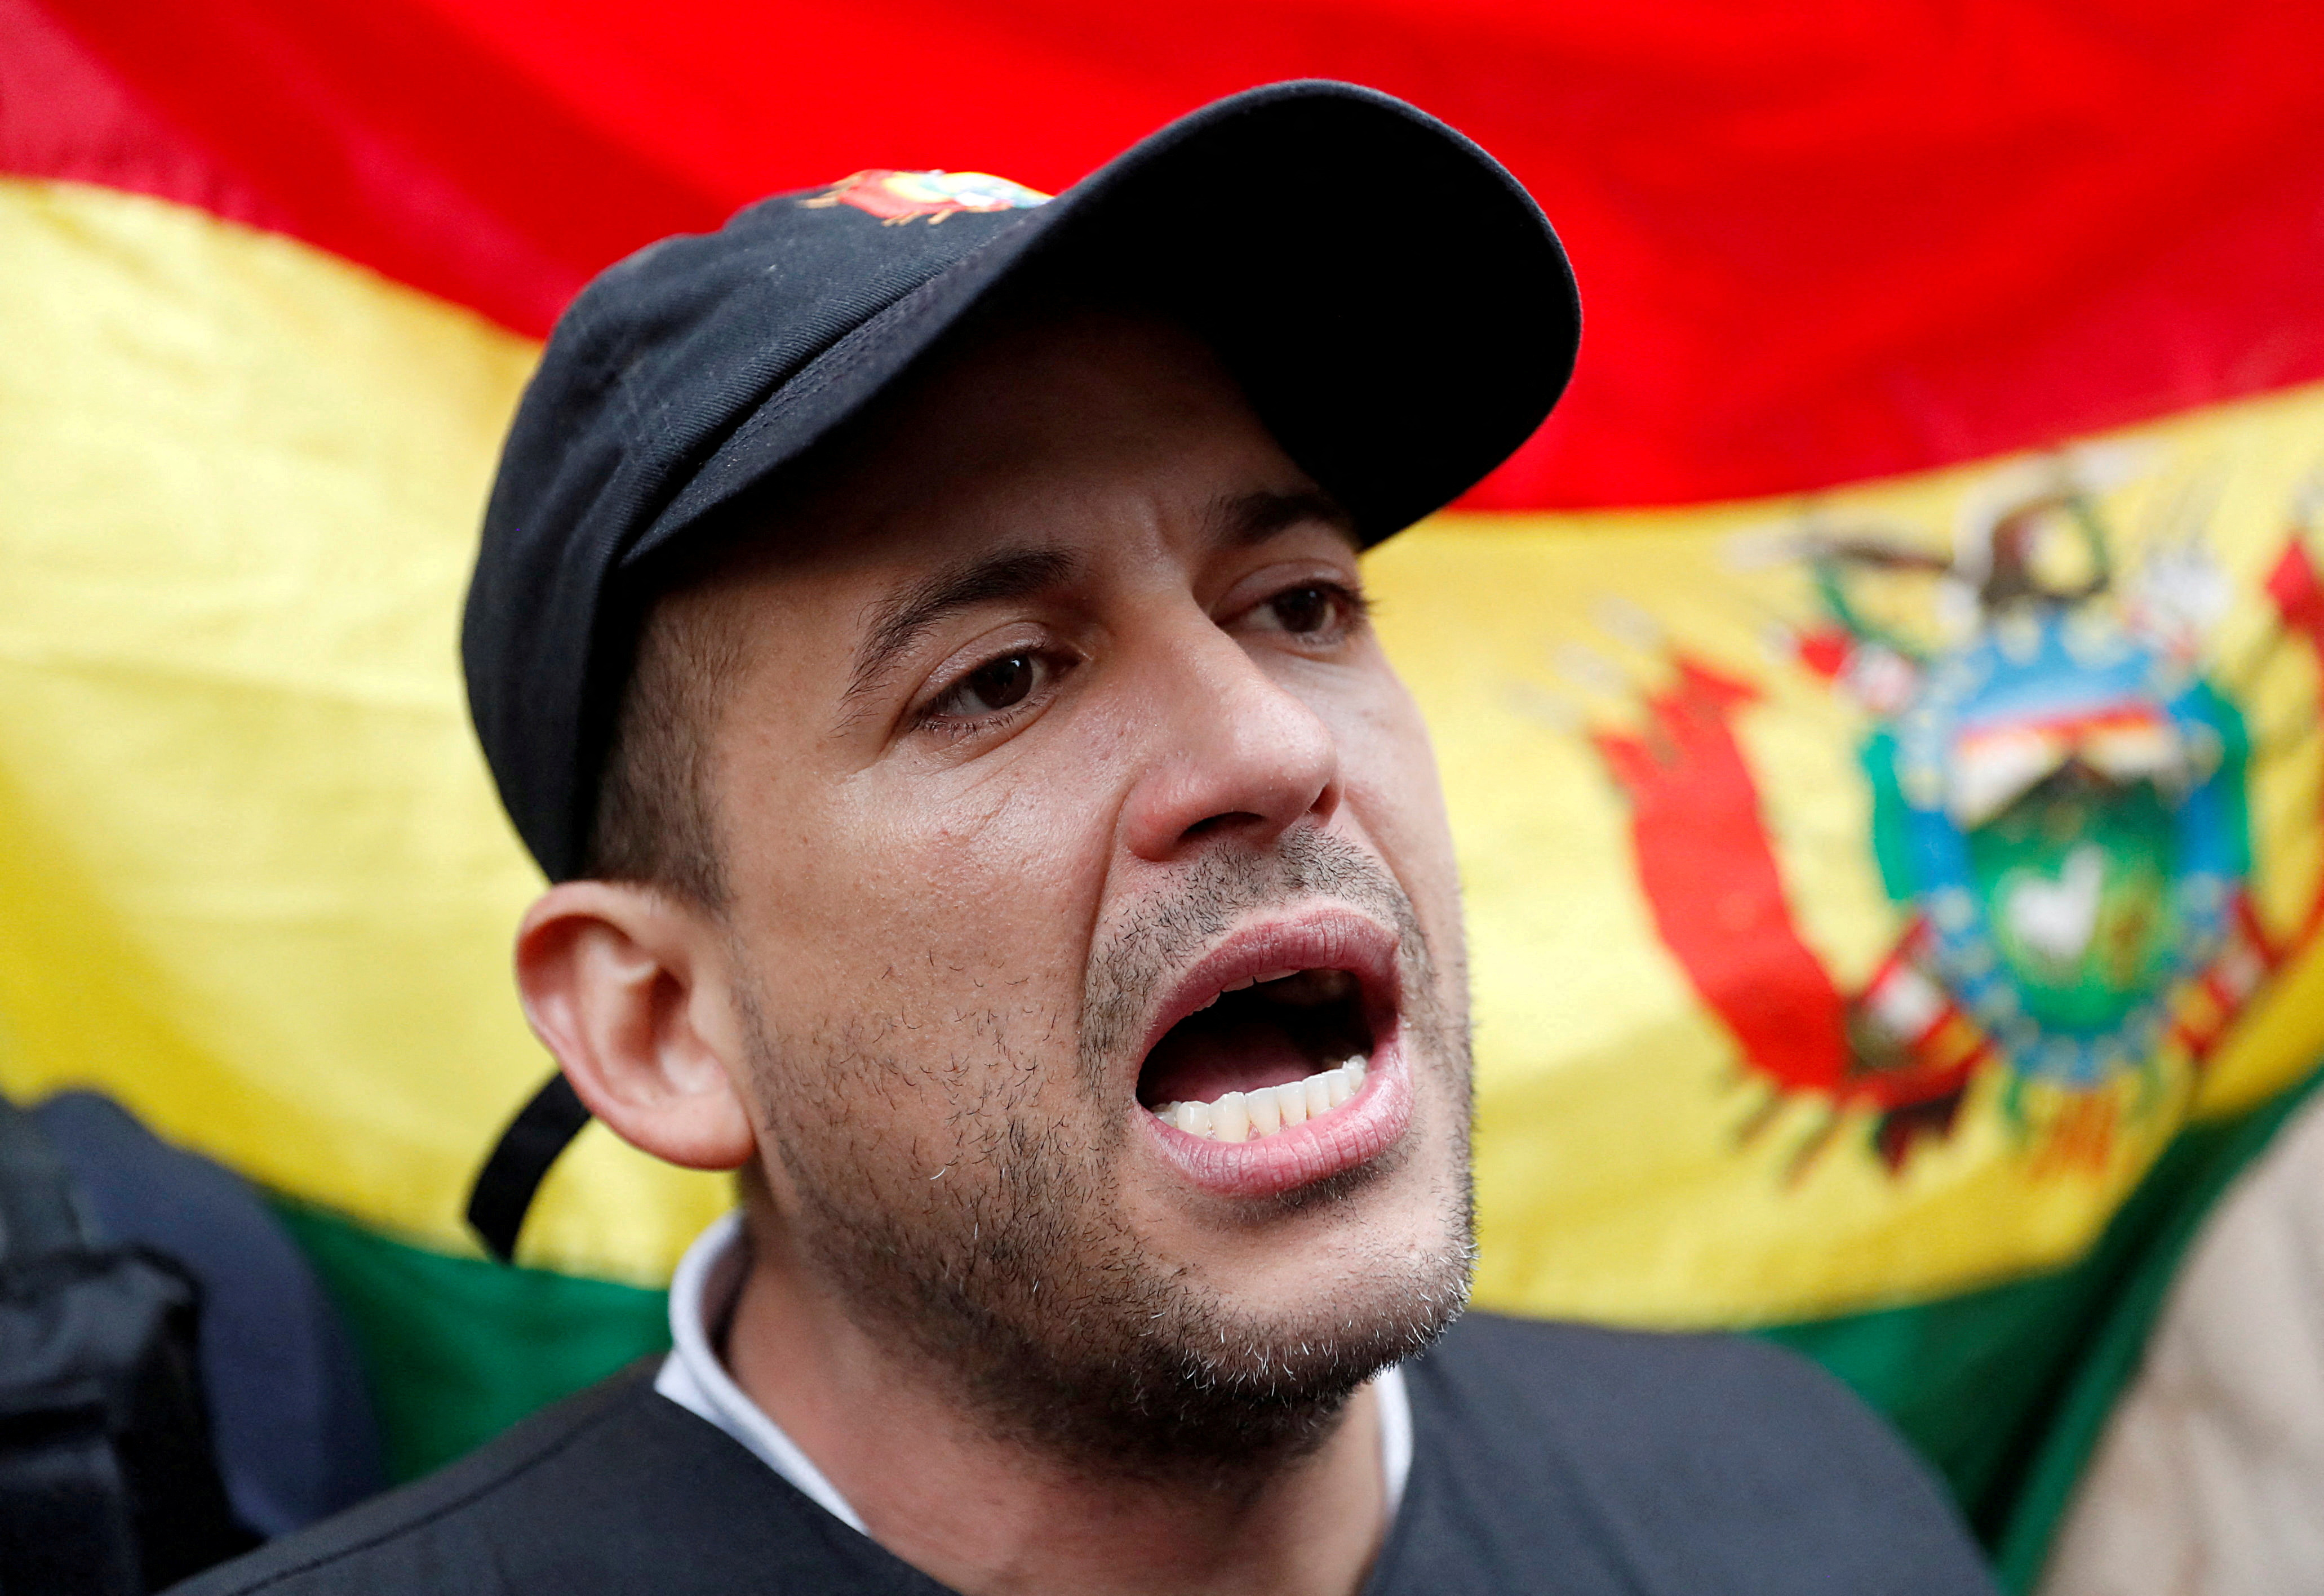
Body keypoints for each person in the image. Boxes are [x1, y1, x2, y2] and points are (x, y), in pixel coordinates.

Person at [178, 81, 1995, 1596]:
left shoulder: (1795, 1507)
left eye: (1296, 604)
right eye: (999, 679)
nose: (1268, 742)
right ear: (658, 1023)